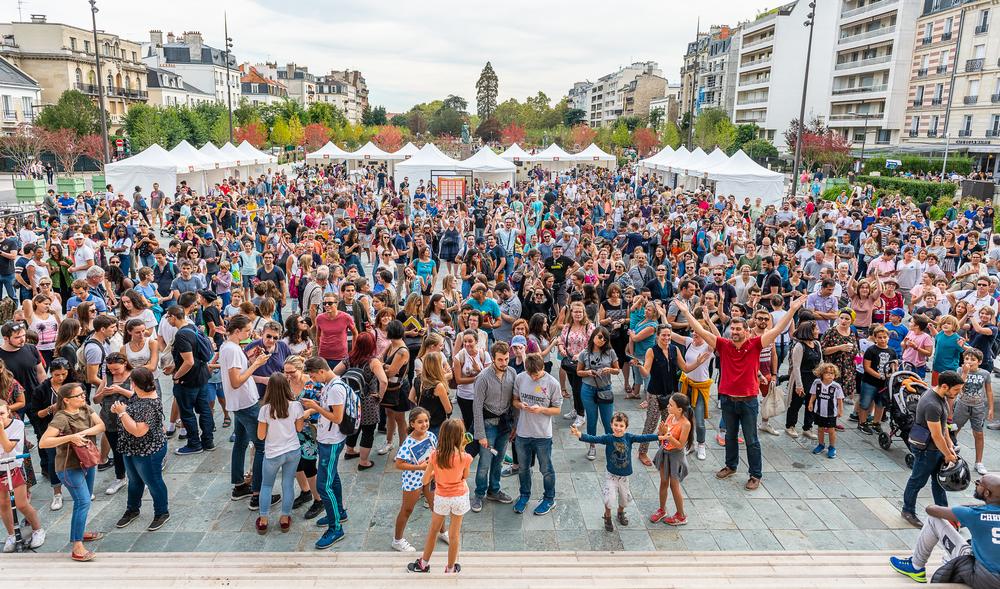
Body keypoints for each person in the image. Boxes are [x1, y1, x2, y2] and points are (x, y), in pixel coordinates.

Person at [672, 293, 806, 491]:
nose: (734, 331)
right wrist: (686, 312)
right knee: (730, 436)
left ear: (746, 330)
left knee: (751, 440)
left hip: (748, 400)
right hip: (728, 399)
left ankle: (755, 474)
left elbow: (777, 329)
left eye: (737, 329)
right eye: (732, 328)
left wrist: (793, 310)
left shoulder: (755, 345)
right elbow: (700, 329)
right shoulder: (724, 345)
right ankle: (731, 465)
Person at [890, 474, 1000, 587]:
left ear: (987, 493)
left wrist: (964, 511)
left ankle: (915, 566)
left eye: (979, 483)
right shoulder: (976, 513)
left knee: (934, 520)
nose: (976, 484)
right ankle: (947, 561)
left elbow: (931, 509)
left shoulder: (974, 514)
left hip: (986, 579)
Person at [39, 382, 106, 562]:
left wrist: (81, 434)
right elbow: (43, 442)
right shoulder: (61, 417)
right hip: (69, 466)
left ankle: (80, 532)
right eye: (79, 395)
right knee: (83, 501)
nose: (83, 397)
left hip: (88, 460)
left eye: (83, 393)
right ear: (67, 400)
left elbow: (101, 426)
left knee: (86, 498)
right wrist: (70, 437)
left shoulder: (85, 408)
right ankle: (77, 546)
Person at [220, 314, 273, 509]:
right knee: (261, 446)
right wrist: (257, 365)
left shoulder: (228, 347)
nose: (250, 334)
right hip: (245, 403)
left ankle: (239, 485)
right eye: (247, 331)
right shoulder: (233, 350)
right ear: (237, 331)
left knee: (241, 443)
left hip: (238, 403)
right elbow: (236, 381)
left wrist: (250, 362)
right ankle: (257, 494)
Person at [406, 418, 471, 575]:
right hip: (460, 497)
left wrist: (437, 472)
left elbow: (425, 480)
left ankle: (423, 564)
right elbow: (464, 476)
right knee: (454, 535)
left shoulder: (435, 455)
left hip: (442, 497)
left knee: (433, 530)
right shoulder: (466, 457)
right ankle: (450, 568)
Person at [900, 370, 964, 528]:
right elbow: (936, 435)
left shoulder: (941, 397)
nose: (957, 393)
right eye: (955, 390)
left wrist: (950, 446)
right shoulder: (932, 404)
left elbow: (943, 428)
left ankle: (946, 515)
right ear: (944, 386)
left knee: (939, 483)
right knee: (917, 481)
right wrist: (948, 454)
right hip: (927, 449)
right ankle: (908, 510)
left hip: (936, 448)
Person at [110, 367, 169, 532]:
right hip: (131, 448)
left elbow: (138, 430)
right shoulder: (141, 394)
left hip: (148, 450)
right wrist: (120, 407)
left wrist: (122, 413)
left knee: (153, 482)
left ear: (134, 383)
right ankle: (132, 509)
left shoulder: (149, 405)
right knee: (134, 481)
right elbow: (134, 397)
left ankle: (162, 512)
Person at [302, 356, 348, 550]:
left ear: (321, 371)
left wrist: (315, 407)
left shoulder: (335, 388)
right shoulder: (330, 383)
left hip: (332, 441)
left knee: (323, 485)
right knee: (333, 477)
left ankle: (335, 528)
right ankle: (339, 512)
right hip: (327, 439)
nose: (312, 379)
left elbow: (337, 418)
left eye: (313, 375)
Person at [255, 374, 307, 534]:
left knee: (266, 485)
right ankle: (285, 519)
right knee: (288, 484)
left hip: (273, 454)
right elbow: (299, 429)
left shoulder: (265, 410)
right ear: (287, 386)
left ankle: (263, 520)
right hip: (292, 451)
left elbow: (261, 436)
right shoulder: (296, 406)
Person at [512, 353, 561, 516]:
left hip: (542, 435)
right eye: (530, 374)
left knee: (546, 469)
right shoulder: (520, 378)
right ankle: (524, 495)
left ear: (543, 368)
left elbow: (557, 409)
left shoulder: (552, 383)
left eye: (537, 374)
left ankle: (549, 498)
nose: (533, 377)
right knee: (523, 468)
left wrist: (541, 410)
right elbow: (515, 400)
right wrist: (521, 405)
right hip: (523, 433)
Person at [470, 341, 515, 512]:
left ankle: (494, 490)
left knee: (499, 460)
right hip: (488, 425)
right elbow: (476, 407)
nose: (504, 363)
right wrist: (480, 434)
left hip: (504, 424)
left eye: (506, 359)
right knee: (485, 463)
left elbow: (513, 401)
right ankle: (479, 494)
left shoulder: (511, 373)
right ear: (493, 359)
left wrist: (515, 426)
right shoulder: (483, 378)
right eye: (500, 360)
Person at [392, 407, 442, 552]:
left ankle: (442, 531)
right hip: (413, 479)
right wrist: (419, 468)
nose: (424, 424)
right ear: (412, 424)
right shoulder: (408, 443)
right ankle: (397, 540)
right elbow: (399, 464)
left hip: (430, 477)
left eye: (426, 421)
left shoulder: (431, 436)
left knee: (437, 506)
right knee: (407, 509)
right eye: (420, 422)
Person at [166, 306, 214, 455]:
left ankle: (194, 444)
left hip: (188, 380)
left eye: (168, 317)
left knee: (187, 412)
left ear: (174, 316)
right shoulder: (193, 327)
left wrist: (176, 376)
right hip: (202, 376)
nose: (167, 320)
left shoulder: (181, 335)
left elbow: (188, 361)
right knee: (205, 410)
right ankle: (208, 441)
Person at [0, 399, 45, 551]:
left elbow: (8, 447)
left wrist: (0, 430)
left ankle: (37, 529)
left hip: (15, 466)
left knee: (21, 503)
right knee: (3, 504)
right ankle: (11, 534)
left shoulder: (17, 425)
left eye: (1, 413)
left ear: (9, 412)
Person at [576, 327, 620, 461]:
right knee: (592, 419)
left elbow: (617, 370)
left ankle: (612, 446)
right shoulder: (584, 353)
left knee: (608, 420)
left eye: (605, 338)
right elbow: (578, 372)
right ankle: (592, 446)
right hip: (588, 389)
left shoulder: (610, 352)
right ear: (593, 336)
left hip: (605, 389)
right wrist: (588, 372)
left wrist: (610, 370)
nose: (602, 340)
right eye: (599, 337)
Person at [650, 392, 694, 526]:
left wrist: (668, 435)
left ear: (679, 409)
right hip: (665, 452)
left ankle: (681, 515)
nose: (668, 406)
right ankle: (662, 510)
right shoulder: (670, 416)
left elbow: (680, 445)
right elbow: (661, 435)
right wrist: (662, 432)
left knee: (674, 486)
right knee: (663, 482)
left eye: (671, 405)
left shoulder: (685, 424)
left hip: (675, 456)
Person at [954, 349, 993, 476]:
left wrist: (991, 408)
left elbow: (989, 391)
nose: (969, 362)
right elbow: (958, 388)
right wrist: (965, 373)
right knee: (954, 430)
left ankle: (979, 462)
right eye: (967, 359)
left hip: (978, 407)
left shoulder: (985, 374)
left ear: (979, 362)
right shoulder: (960, 371)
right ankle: (950, 454)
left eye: (972, 359)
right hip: (962, 405)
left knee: (979, 434)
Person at [807, 362, 845, 459]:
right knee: (820, 429)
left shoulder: (836, 386)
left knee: (831, 430)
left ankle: (832, 447)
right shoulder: (817, 383)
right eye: (827, 373)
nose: (830, 375)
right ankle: (821, 444)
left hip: (831, 413)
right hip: (819, 411)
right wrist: (811, 403)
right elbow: (814, 394)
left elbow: (839, 399)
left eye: (832, 373)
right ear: (822, 374)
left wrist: (840, 410)